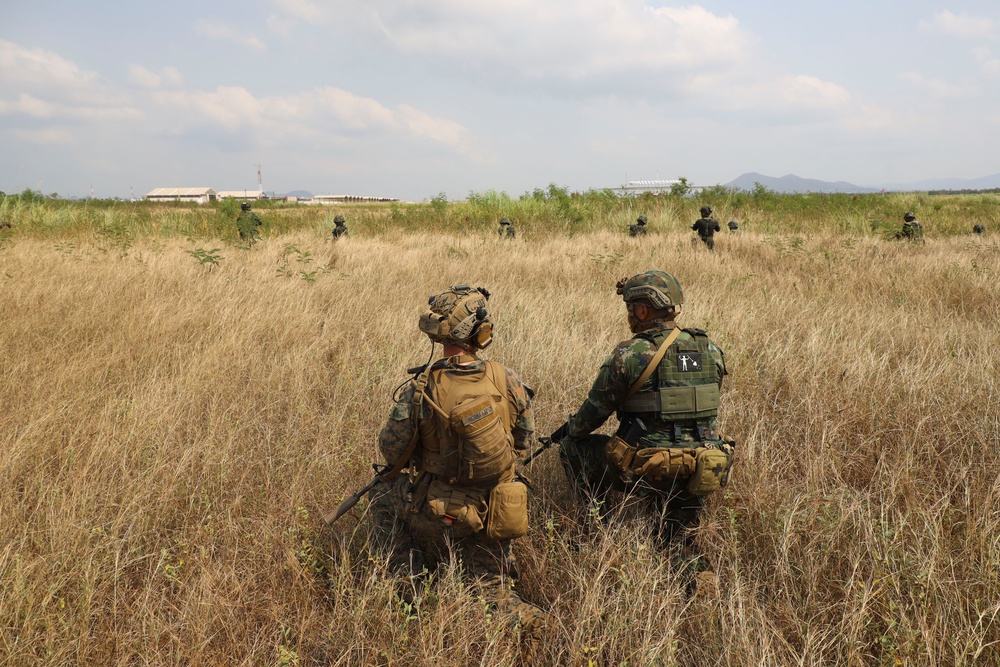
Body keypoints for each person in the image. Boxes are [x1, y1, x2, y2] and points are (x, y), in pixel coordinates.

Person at [370, 285, 543, 641]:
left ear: (440, 333)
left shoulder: (420, 388)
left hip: (441, 512)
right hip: (498, 510)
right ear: (481, 334)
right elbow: (524, 443)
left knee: (380, 497)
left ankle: (412, 588)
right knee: (493, 593)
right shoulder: (506, 378)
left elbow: (391, 453)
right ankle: (532, 622)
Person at [557, 270, 733, 586]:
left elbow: (590, 417)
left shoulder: (631, 353)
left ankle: (598, 533)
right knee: (675, 539)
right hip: (703, 468)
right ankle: (700, 577)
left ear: (642, 310)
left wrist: (571, 430)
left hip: (649, 469)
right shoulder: (711, 350)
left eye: (630, 308)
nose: (628, 316)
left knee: (572, 448)